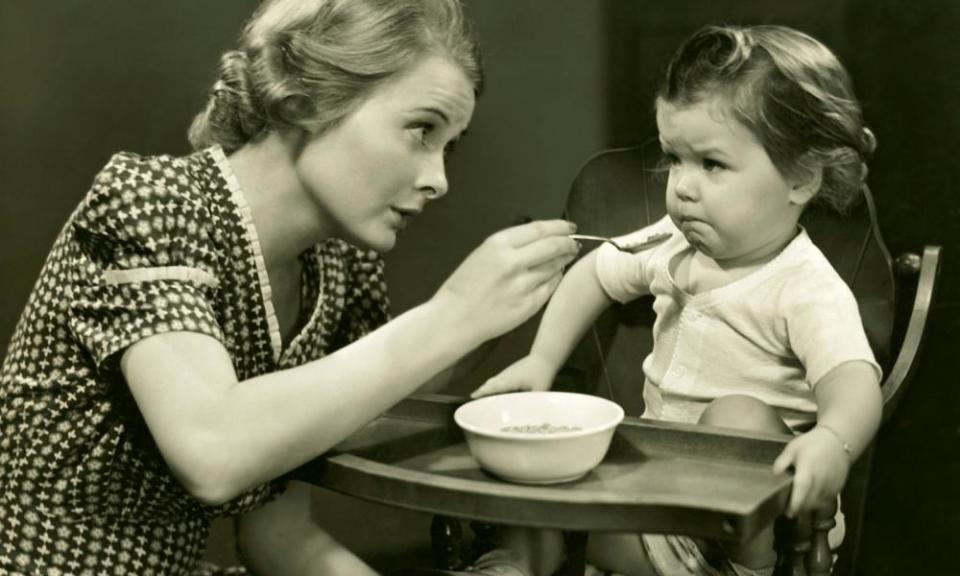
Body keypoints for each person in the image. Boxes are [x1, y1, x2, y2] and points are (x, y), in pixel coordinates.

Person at [0, 0, 580, 574]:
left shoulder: (336, 265)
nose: (438, 180)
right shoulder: (151, 202)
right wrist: (453, 314)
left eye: (449, 146)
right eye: (421, 130)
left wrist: (484, 323)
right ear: (306, 103)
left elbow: (279, 533)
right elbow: (214, 451)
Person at [463, 24, 883, 576]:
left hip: (759, 527)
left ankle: (746, 571)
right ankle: (510, 565)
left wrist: (833, 441)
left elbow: (854, 380)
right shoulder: (672, 240)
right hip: (659, 504)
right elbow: (594, 273)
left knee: (737, 416)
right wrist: (541, 360)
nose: (682, 186)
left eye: (711, 164)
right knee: (550, 484)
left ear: (799, 178)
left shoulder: (803, 285)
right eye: (673, 159)